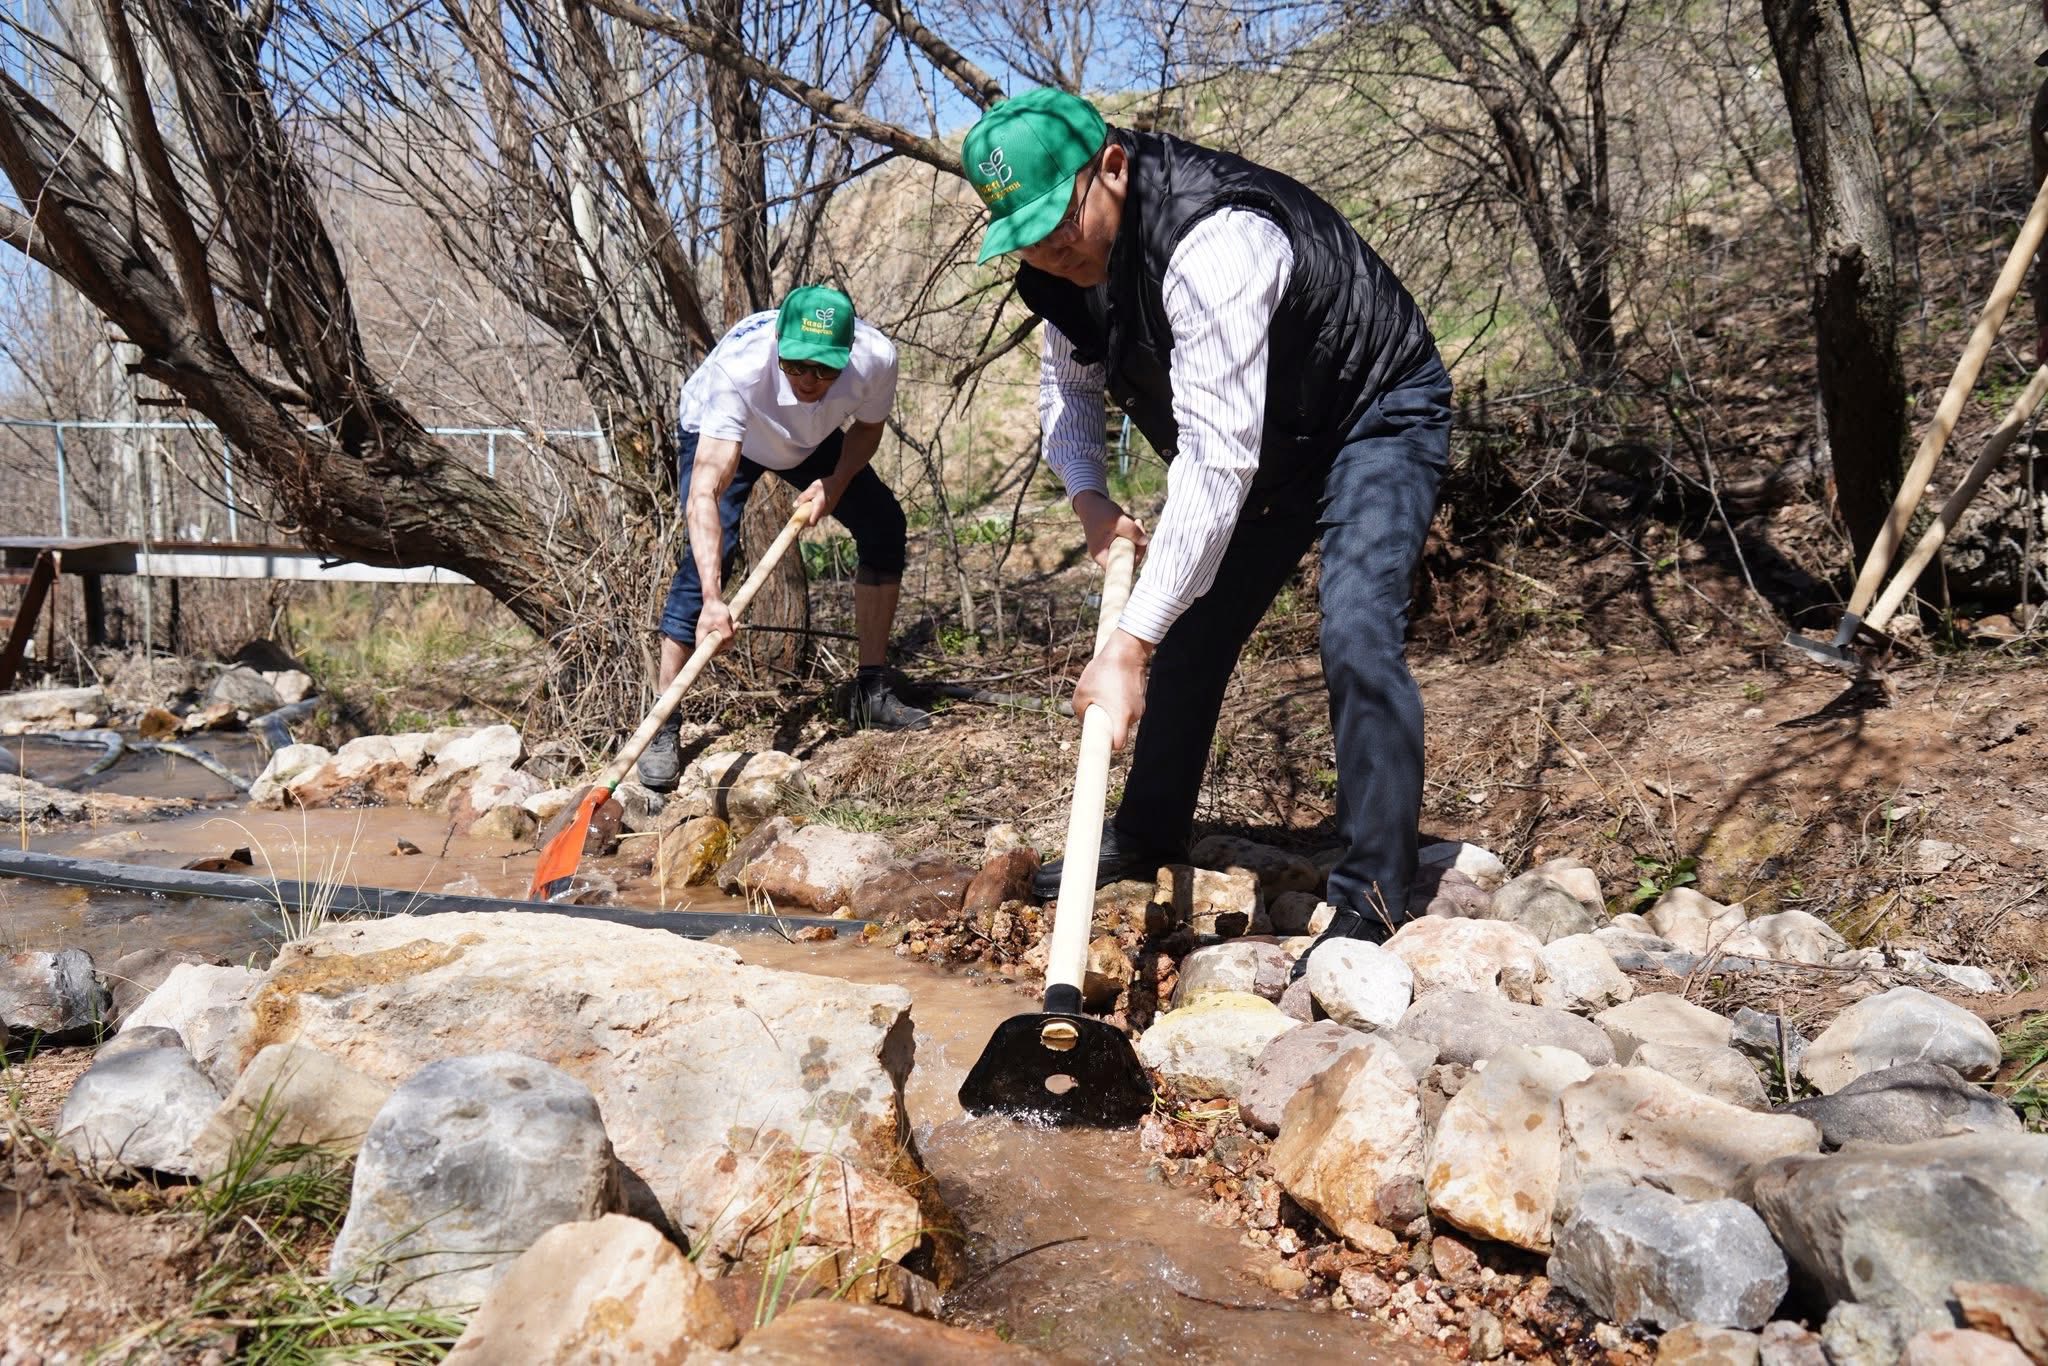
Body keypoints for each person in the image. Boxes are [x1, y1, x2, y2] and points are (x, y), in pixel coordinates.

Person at [960, 89, 1452, 971]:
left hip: (1371, 412)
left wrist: (1126, 646)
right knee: (1188, 626)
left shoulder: (1216, 239)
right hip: (1270, 440)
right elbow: (1068, 390)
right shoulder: (1064, 271)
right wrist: (1089, 497)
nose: (1050, 249)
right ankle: (1146, 837)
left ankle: (1372, 895)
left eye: (1058, 221)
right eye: (1025, 235)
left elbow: (1218, 459)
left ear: (1112, 166)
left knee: (1355, 630)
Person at [639, 285, 929, 793]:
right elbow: (704, 493)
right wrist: (714, 599)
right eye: (795, 366)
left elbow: (867, 428)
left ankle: (871, 688)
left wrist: (835, 484)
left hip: (808, 440)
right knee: (711, 555)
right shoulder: (739, 372)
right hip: (731, 430)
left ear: (847, 354)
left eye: (824, 369)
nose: (808, 380)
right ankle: (663, 720)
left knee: (884, 524)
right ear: (778, 344)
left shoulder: (876, 358)